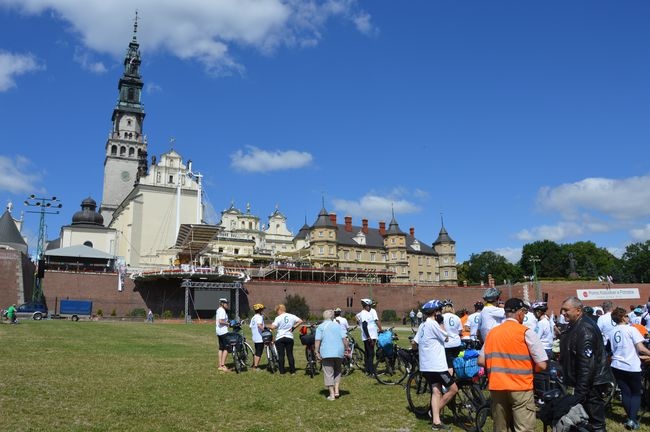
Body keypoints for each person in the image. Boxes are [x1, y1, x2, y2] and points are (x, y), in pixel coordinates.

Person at [478, 298, 548, 432]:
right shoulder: (525, 332)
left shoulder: (492, 333)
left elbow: (481, 361)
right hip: (520, 387)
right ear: (520, 313)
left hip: (497, 387)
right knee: (524, 428)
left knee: (500, 427)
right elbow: (542, 364)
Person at [559, 296, 614, 432]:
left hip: (592, 384)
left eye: (566, 310)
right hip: (584, 383)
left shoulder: (584, 329)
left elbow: (586, 364)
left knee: (595, 422)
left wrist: (580, 392)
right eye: (562, 310)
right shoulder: (575, 325)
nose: (563, 313)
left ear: (578, 310)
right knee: (584, 421)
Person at [412, 299, 458, 431]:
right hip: (437, 365)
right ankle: (434, 412)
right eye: (440, 311)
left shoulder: (422, 325)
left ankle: (436, 422)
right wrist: (441, 322)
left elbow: (414, 343)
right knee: (453, 389)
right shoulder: (433, 324)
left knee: (436, 391)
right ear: (436, 312)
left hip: (426, 365)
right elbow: (446, 337)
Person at [608, 307, 650, 430]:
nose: (628, 317)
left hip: (616, 365)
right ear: (622, 317)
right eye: (626, 316)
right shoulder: (631, 329)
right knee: (636, 393)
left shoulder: (612, 331)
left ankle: (630, 418)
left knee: (625, 392)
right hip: (631, 365)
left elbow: (609, 349)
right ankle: (632, 420)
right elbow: (641, 348)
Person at [315, 309, 349, 400]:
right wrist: (347, 348)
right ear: (332, 317)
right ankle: (337, 390)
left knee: (328, 373)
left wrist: (316, 351)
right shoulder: (338, 326)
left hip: (326, 352)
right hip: (339, 351)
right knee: (337, 371)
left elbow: (318, 340)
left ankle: (332, 394)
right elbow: (344, 339)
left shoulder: (320, 327)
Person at [270, 303, 303, 374]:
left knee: (281, 355)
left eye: (277, 311)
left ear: (280, 310)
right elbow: (300, 321)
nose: (277, 313)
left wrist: (269, 326)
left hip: (280, 337)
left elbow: (273, 327)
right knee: (290, 354)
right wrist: (294, 327)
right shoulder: (291, 316)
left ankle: (282, 371)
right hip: (289, 337)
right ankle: (293, 371)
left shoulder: (278, 318)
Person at [356, 298, 382, 376]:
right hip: (370, 336)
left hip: (368, 335)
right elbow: (364, 325)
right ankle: (371, 372)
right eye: (369, 305)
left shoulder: (363, 312)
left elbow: (357, 317)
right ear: (366, 306)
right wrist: (368, 337)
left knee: (367, 353)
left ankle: (367, 369)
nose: (370, 307)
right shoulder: (364, 313)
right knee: (371, 354)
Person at [441, 300, 462, 374]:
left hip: (447, 344)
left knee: (448, 365)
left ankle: (450, 383)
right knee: (455, 363)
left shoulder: (441, 317)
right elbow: (460, 331)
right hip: (457, 343)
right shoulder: (457, 317)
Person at [249, 303, 266, 371]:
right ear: (260, 310)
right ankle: (255, 367)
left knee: (257, 351)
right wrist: (264, 330)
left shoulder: (253, 317)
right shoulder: (259, 317)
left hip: (255, 337)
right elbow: (259, 325)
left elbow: (250, 327)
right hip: (260, 337)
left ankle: (254, 364)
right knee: (259, 352)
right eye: (262, 309)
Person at [215, 298, 230, 372]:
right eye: (226, 303)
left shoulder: (219, 310)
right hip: (223, 332)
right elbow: (221, 321)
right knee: (227, 348)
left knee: (221, 348)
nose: (227, 305)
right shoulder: (222, 310)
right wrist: (228, 323)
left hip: (219, 331)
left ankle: (220, 365)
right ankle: (223, 365)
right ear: (222, 304)